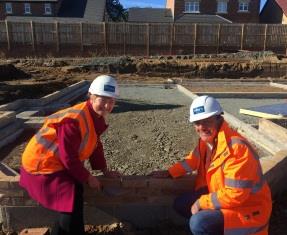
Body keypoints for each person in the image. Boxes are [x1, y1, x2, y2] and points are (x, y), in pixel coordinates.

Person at [151, 95, 272, 235]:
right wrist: (170, 172)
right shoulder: (206, 143)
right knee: (181, 203)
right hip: (226, 200)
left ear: (218, 118)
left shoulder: (237, 149)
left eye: (206, 121)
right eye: (197, 123)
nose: (201, 127)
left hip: (248, 210)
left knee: (199, 223)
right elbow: (192, 160)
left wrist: (202, 202)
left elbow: (236, 194)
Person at [19, 75, 121, 235]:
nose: (107, 105)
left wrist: (104, 171)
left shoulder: (94, 116)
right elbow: (69, 158)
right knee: (72, 198)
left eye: (111, 101)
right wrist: (88, 177)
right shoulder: (74, 120)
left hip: (55, 162)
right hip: (42, 165)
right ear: (91, 97)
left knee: (75, 194)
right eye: (103, 99)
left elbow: (95, 143)